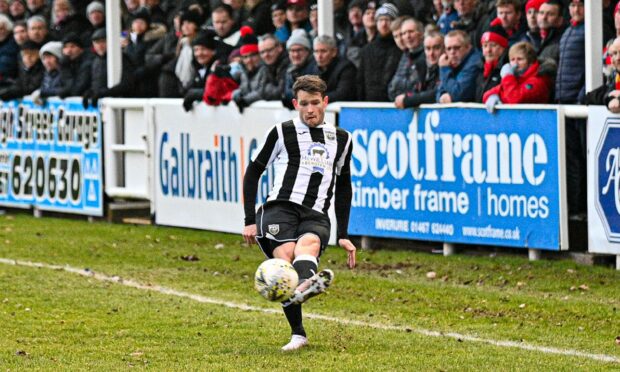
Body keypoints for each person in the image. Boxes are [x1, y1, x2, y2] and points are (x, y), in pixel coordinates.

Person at [242, 74, 356, 351]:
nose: (310, 109)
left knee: (310, 244)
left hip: (316, 212)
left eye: (315, 103)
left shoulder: (342, 139)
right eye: (304, 104)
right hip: (279, 207)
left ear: (325, 102)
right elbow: (254, 171)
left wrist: (343, 234)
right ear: (295, 104)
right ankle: (298, 331)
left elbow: (344, 186)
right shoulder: (281, 132)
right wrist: (248, 220)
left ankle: (304, 286)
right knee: (287, 259)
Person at [483, 41, 553, 110]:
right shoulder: (516, 78)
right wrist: (494, 96)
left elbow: (514, 99)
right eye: (512, 59)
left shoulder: (538, 81)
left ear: (530, 62)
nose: (515, 63)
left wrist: (507, 76)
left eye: (520, 59)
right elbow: (487, 94)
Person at [436, 29, 482, 103]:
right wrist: (442, 96)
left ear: (468, 47)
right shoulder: (451, 63)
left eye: (456, 48)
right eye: (449, 48)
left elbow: (458, 94)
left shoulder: (474, 62)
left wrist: (444, 69)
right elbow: (439, 90)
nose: (452, 52)